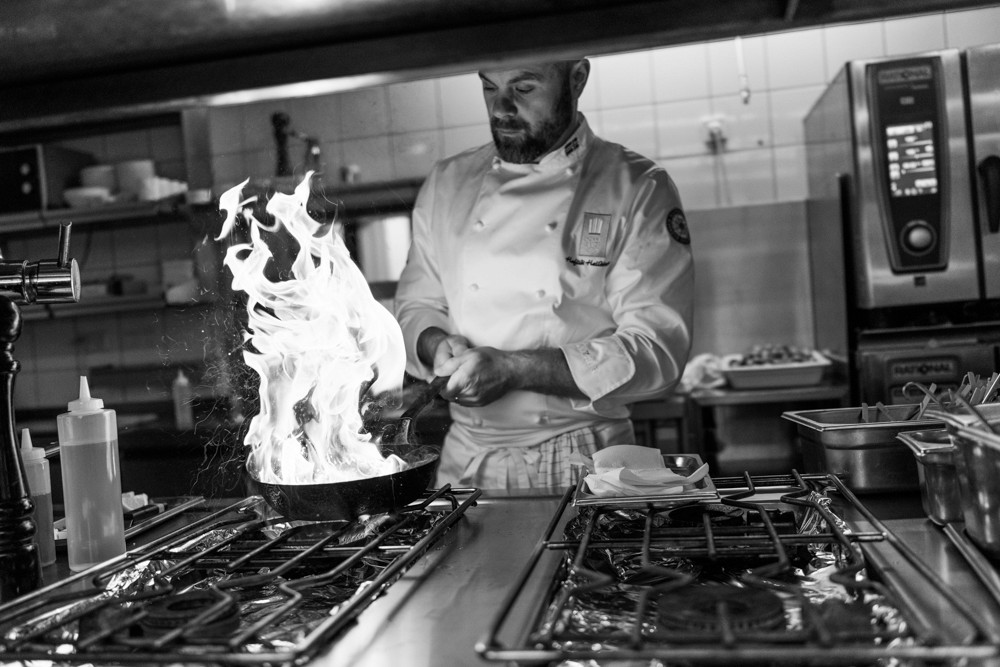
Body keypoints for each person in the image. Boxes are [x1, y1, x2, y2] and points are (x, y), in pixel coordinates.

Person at [393, 58, 694, 490]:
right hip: (466, 463)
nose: (501, 108)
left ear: (577, 79)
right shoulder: (447, 182)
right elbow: (416, 306)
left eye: (524, 88)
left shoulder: (636, 186)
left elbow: (658, 348)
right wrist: (436, 344)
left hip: (585, 462)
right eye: (488, 88)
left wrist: (516, 369)